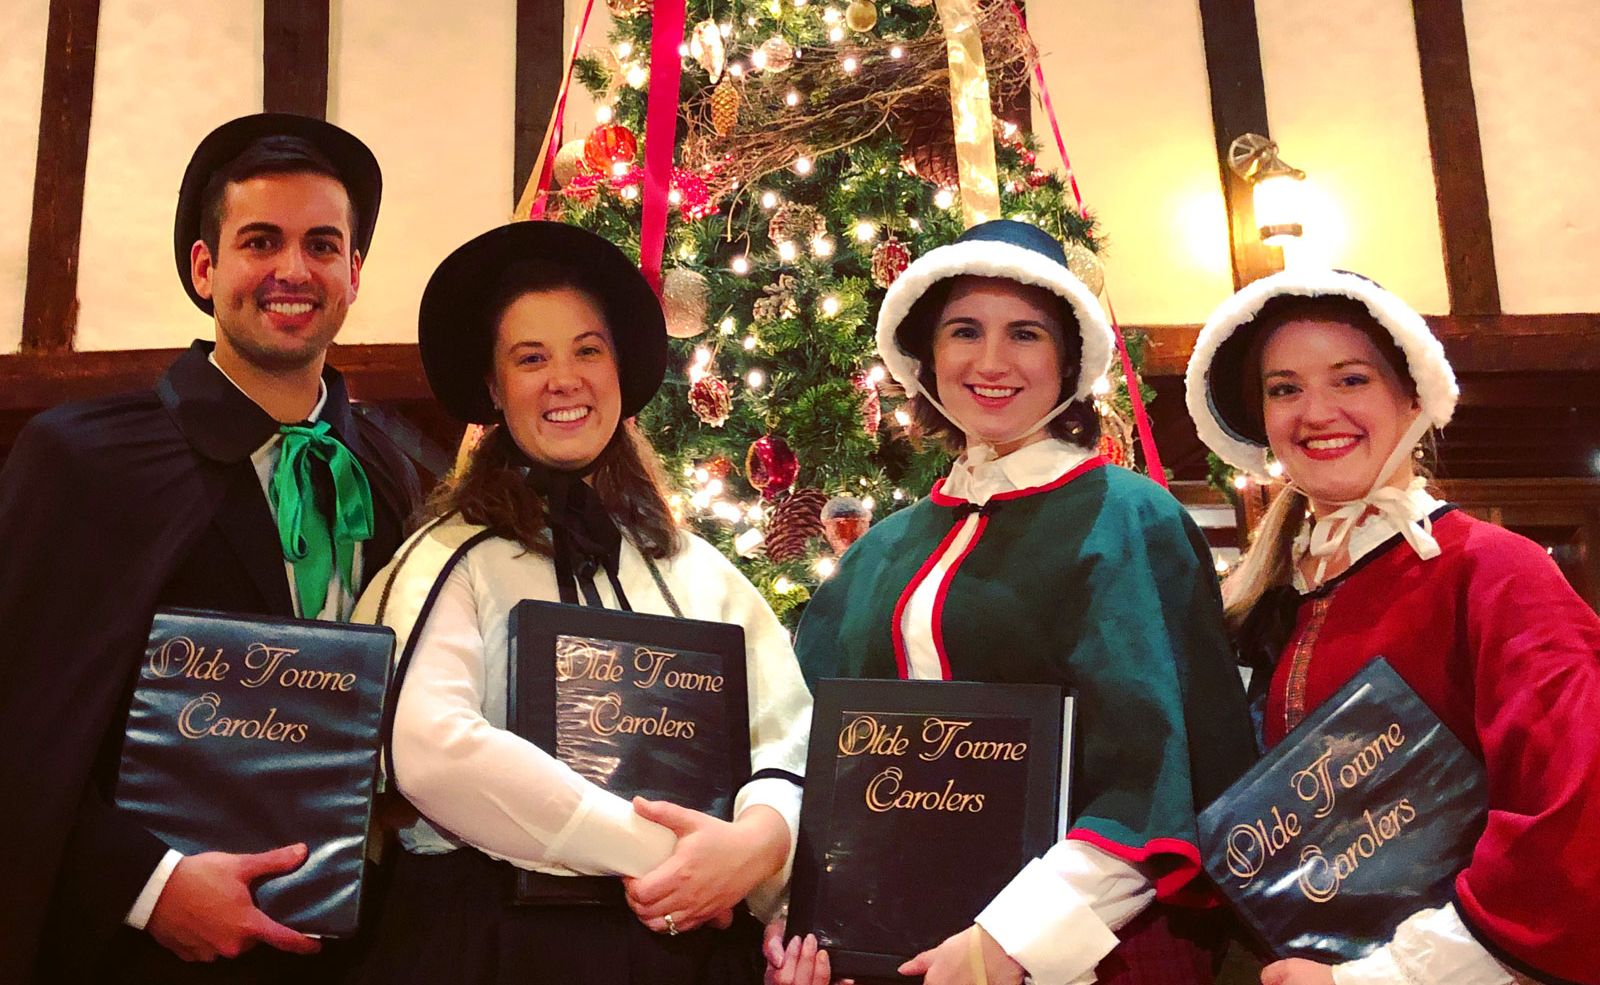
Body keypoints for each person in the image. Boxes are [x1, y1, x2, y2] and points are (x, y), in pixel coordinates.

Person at [773, 220, 1257, 985]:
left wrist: (1011, 943)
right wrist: (795, 917)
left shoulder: (1128, 519)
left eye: (1025, 334)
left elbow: (1156, 771)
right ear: (927, 357)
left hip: (1085, 957)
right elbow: (810, 755)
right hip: (889, 955)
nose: (992, 362)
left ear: (1068, 362)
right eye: (965, 331)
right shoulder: (881, 550)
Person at [0, 113, 421, 983]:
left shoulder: (393, 472)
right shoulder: (83, 458)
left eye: (322, 244)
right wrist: (150, 888)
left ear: (353, 275)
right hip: (145, 953)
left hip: (357, 947)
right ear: (205, 267)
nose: (292, 271)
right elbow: (18, 724)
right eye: (260, 241)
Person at [352, 220, 812, 985]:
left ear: (620, 372)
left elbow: (785, 735)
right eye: (530, 358)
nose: (564, 379)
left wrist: (757, 846)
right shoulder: (447, 559)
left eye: (586, 350)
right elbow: (433, 754)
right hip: (496, 946)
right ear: (495, 390)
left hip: (691, 950)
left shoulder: (695, 570)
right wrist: (672, 860)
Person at [1185, 268, 1600, 985]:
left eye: (1350, 380)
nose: (1314, 411)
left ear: (1412, 396)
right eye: (1284, 388)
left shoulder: (1496, 571)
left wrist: (1383, 976)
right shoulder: (1261, 600)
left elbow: (1575, 817)